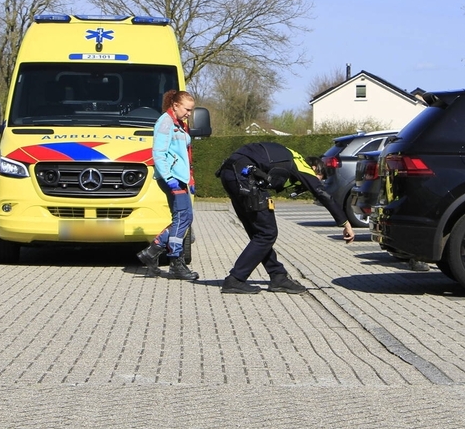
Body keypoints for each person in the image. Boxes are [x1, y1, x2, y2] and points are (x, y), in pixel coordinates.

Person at [216, 142, 356, 294]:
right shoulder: (301, 164)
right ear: (314, 168)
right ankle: (235, 279)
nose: (313, 181)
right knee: (267, 233)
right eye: (318, 178)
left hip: (231, 173)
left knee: (260, 233)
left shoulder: (289, 156)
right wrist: (345, 222)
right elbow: (321, 193)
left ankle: (278, 276)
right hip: (244, 177)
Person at [136, 90, 199, 281]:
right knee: (182, 218)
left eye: (191, 110)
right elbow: (159, 154)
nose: (189, 113)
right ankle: (175, 264)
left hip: (180, 178)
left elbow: (184, 155)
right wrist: (170, 179)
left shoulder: (179, 124)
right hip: (171, 178)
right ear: (175, 105)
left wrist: (190, 178)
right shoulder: (165, 122)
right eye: (187, 109)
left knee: (185, 218)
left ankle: (152, 251)